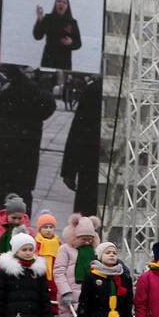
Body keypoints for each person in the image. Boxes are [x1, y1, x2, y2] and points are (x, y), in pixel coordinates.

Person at [0, 68, 56, 213]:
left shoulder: (32, 85)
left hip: (19, 168)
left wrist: (17, 75)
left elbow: (48, 105)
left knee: (16, 224)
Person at [52, 214, 100, 317]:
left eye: (89, 238)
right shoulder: (65, 249)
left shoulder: (94, 251)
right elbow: (58, 271)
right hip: (72, 297)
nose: (86, 242)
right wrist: (65, 292)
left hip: (91, 298)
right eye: (82, 238)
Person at [60, 74, 102, 213]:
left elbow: (77, 132)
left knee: (86, 220)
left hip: (91, 164)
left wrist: (69, 170)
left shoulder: (93, 90)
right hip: (98, 164)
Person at [32, 0, 81, 71]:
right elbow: (37, 36)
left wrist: (71, 42)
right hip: (48, 60)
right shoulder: (48, 18)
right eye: (59, 1)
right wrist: (39, 19)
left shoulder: (72, 22)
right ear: (55, 4)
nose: (61, 3)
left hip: (64, 62)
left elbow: (78, 43)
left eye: (64, 2)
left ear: (67, 6)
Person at [34, 213, 59, 311]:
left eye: (51, 227)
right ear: (39, 229)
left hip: (54, 275)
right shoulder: (36, 242)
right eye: (45, 227)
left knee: (53, 297)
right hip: (41, 274)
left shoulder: (58, 243)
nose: (48, 230)